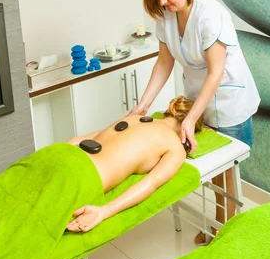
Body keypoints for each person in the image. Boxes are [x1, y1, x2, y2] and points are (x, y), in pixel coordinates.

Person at [133, 0, 260, 245]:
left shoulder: (210, 15)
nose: (162, 1)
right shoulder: (167, 17)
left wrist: (190, 120)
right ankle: (219, 225)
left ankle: (226, 233)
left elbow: (215, 72)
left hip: (228, 99)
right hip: (198, 98)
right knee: (213, 172)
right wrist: (142, 106)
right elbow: (164, 63)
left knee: (228, 173)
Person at [66, 95, 202, 232]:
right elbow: (150, 183)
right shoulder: (175, 147)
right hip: (84, 180)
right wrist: (102, 211)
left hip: (64, 157)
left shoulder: (133, 118)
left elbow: (74, 141)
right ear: (190, 130)